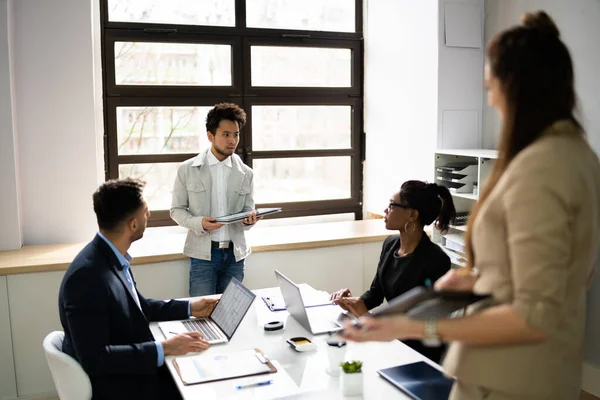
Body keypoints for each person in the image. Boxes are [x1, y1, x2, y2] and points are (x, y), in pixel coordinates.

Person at [341, 11, 600, 400]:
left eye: (490, 80)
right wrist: (479, 280)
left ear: (515, 85)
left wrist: (415, 328)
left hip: (510, 375)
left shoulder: (543, 167)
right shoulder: (573, 154)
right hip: (530, 366)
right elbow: (547, 275)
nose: (488, 91)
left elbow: (534, 314)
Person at [58, 179, 218, 400]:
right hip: (121, 386)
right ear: (133, 224)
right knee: (205, 385)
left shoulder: (109, 256)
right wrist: (164, 348)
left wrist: (191, 307)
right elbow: (95, 359)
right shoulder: (87, 277)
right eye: (146, 212)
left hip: (132, 369)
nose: (149, 216)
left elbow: (139, 307)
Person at [330, 180, 456, 363]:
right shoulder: (390, 244)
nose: (385, 210)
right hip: (391, 342)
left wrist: (368, 317)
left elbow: (422, 324)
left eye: (391, 205)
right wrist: (353, 303)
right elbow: (376, 292)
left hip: (418, 354)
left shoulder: (436, 260)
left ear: (412, 214)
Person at [171, 103, 260, 296]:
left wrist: (249, 220)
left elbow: (248, 210)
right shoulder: (187, 169)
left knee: (231, 316)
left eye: (236, 134)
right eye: (226, 134)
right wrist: (199, 222)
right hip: (203, 255)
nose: (233, 140)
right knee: (201, 314)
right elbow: (176, 210)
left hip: (235, 256)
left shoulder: (247, 173)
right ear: (210, 136)